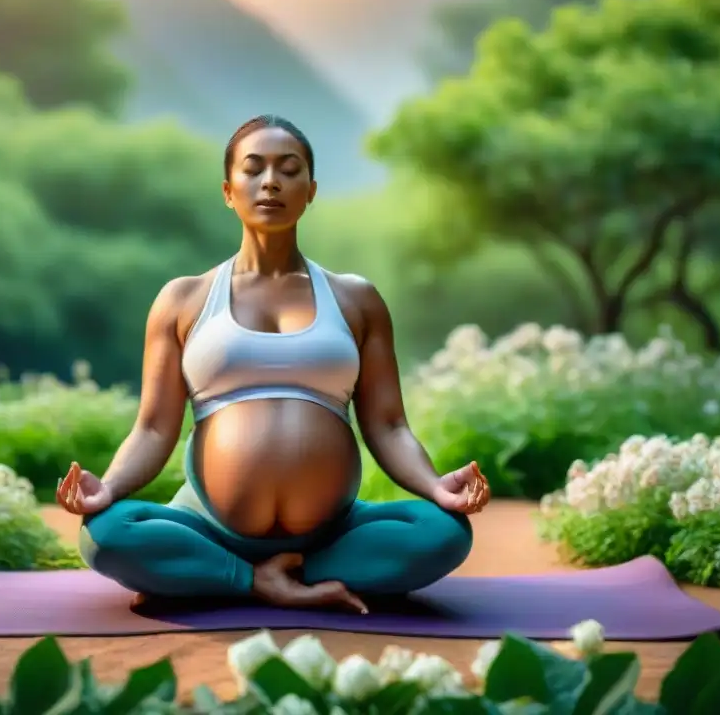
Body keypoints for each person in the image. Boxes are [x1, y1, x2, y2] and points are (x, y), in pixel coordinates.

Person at [56, 115, 491, 614]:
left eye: (289, 170)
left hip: (331, 533)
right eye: (253, 169)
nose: (271, 182)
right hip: (211, 525)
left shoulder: (356, 299)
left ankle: (216, 576)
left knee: (443, 532)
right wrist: (107, 487)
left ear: (309, 191)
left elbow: (389, 425)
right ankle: (249, 577)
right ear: (228, 190)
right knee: (106, 534)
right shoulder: (184, 299)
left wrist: (435, 486)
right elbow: (154, 429)